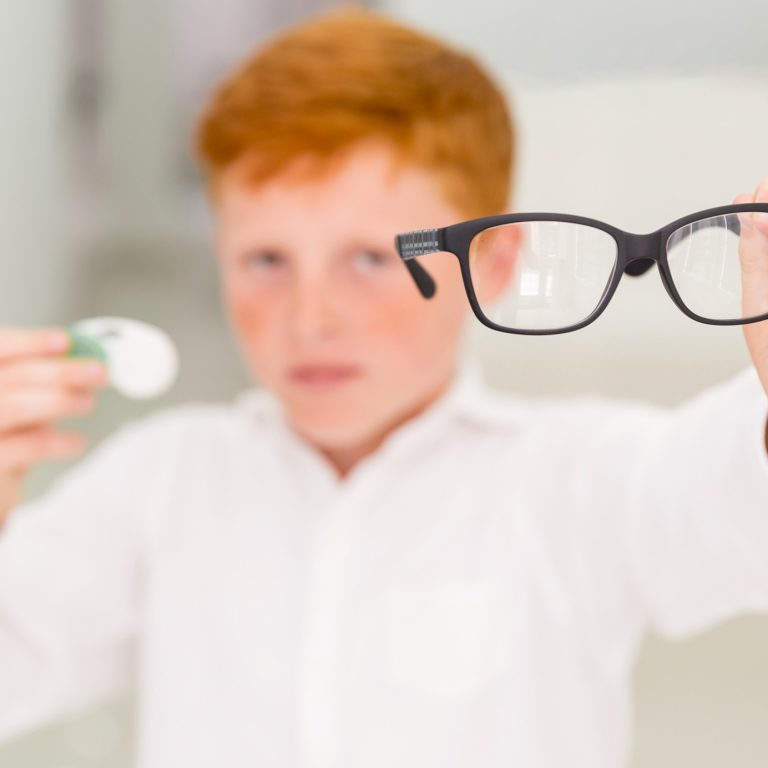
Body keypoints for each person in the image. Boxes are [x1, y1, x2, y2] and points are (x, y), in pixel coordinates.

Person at [1, 8, 768, 768]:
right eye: (266, 261)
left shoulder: (576, 478)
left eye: (368, 260)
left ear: (494, 262)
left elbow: (733, 506)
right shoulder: (161, 482)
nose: (310, 317)